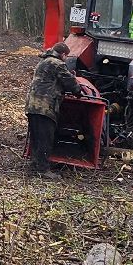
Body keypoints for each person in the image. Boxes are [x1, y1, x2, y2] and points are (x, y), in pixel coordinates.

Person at [26, 41, 87, 176]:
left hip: (32, 105)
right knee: (46, 138)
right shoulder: (57, 64)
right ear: (64, 55)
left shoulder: (44, 62)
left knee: (36, 137)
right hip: (45, 106)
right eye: (67, 56)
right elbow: (69, 82)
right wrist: (79, 91)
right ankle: (43, 170)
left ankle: (35, 165)